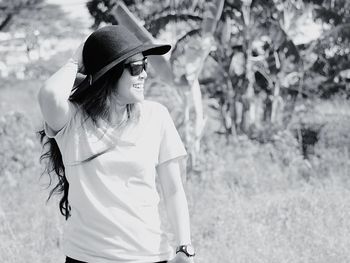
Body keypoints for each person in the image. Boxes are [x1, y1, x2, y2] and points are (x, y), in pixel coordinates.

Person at [37, 25, 196, 263]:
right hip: (86, 257)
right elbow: (49, 95)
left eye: (145, 65)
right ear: (109, 73)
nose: (144, 74)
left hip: (149, 255)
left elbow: (173, 190)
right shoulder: (72, 120)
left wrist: (184, 247)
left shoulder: (156, 116)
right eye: (135, 67)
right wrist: (77, 59)